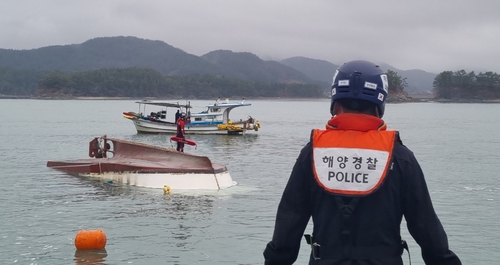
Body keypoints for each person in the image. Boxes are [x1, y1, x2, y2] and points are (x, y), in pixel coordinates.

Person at [263, 60, 461, 265]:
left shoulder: (312, 153)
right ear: (379, 104)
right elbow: (426, 228)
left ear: (335, 102)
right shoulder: (401, 157)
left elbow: (289, 222)